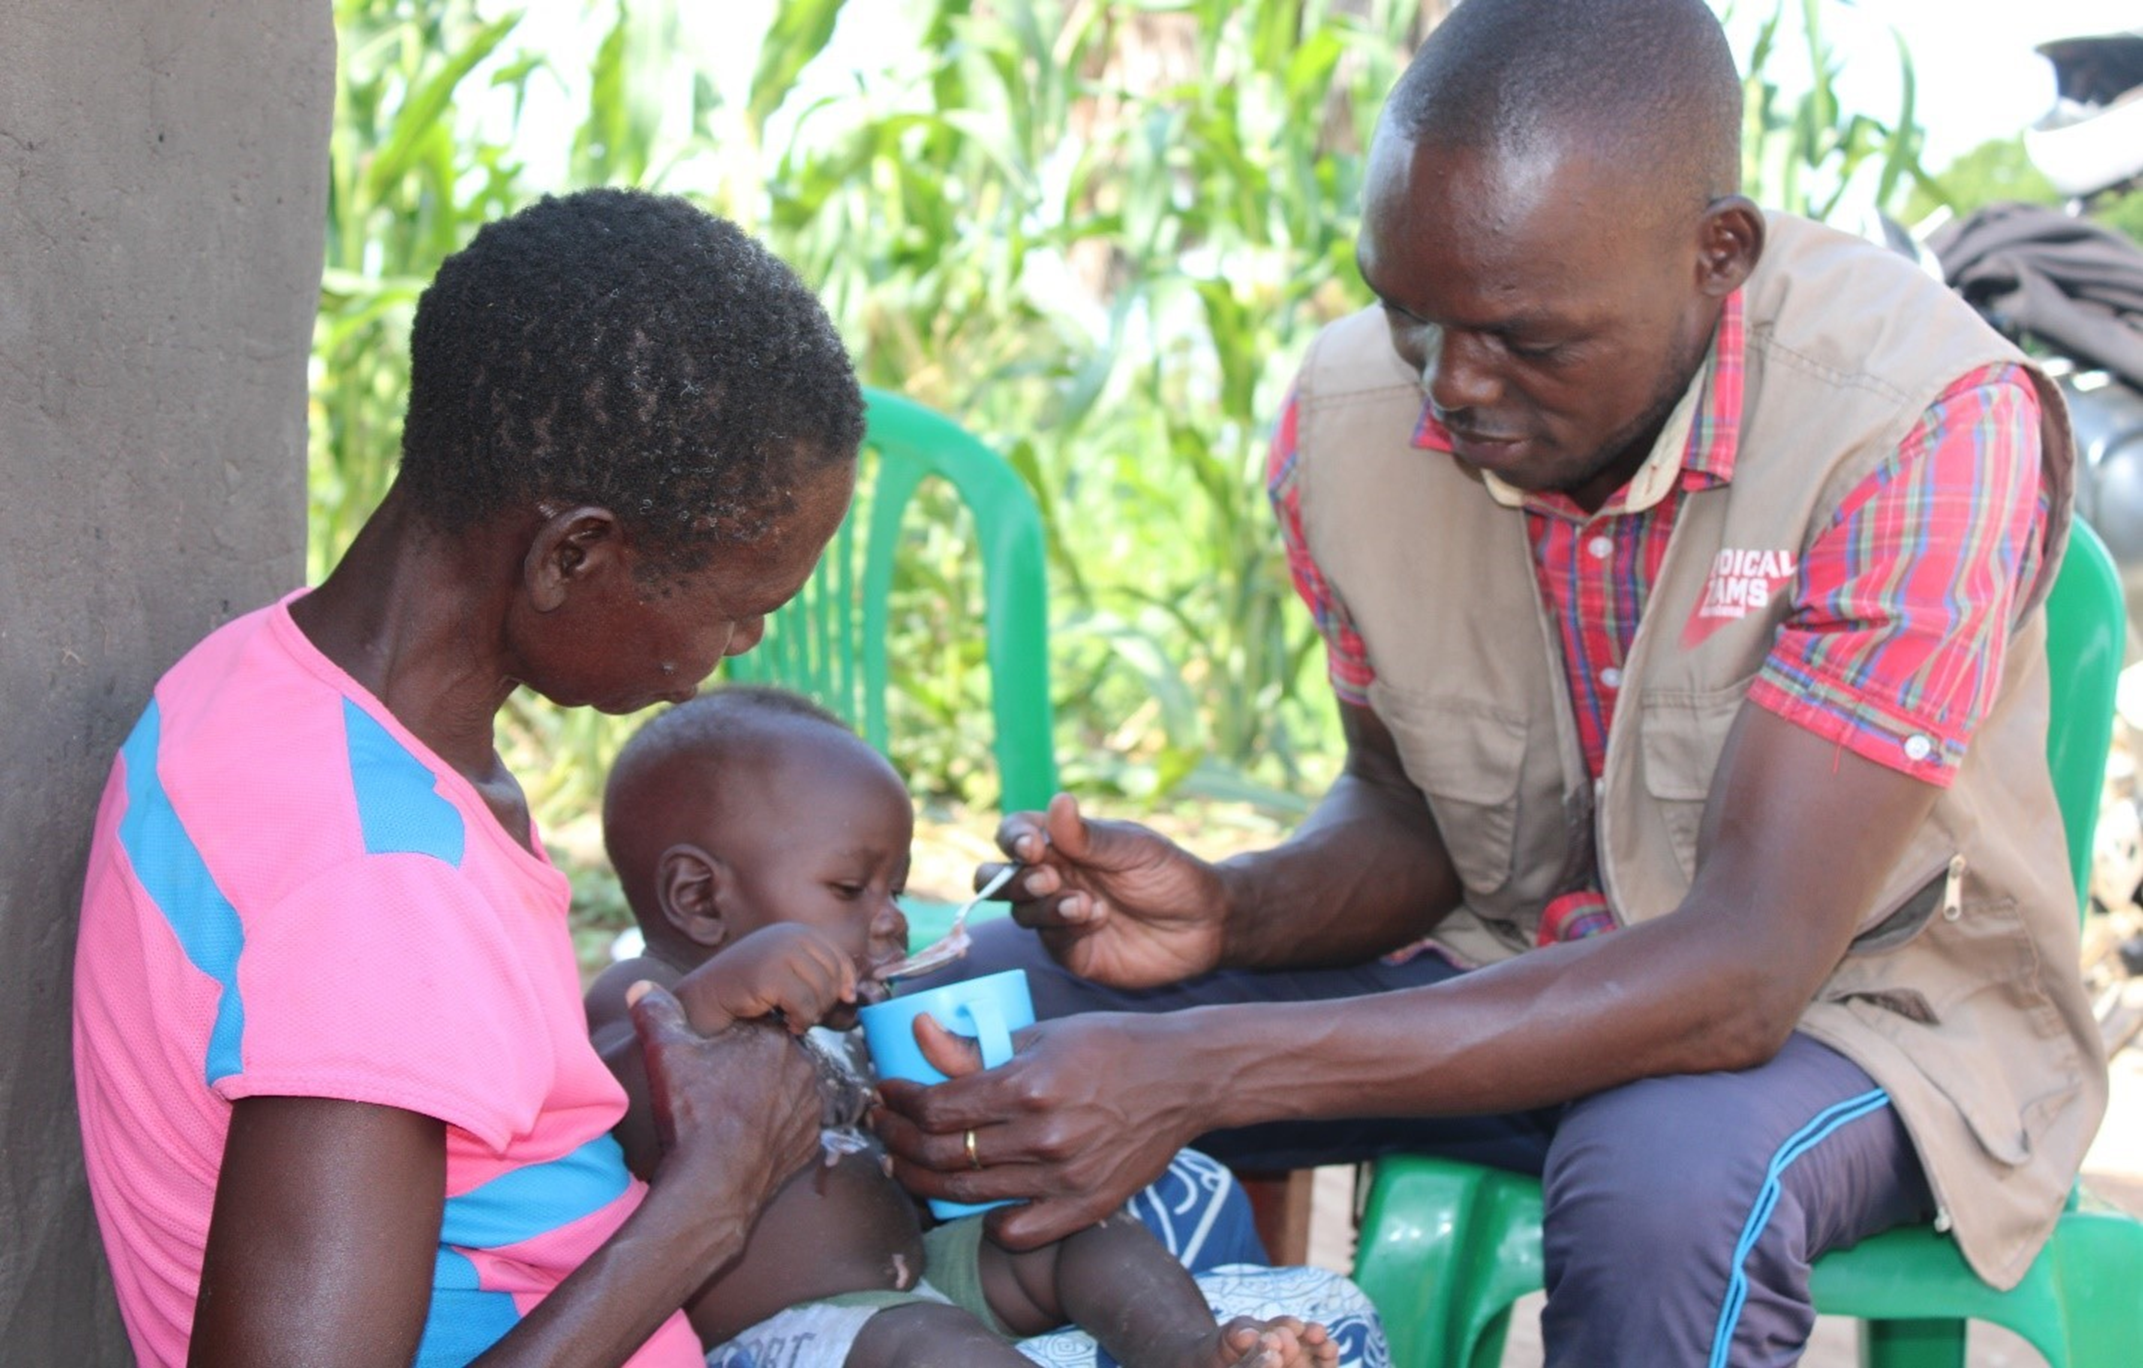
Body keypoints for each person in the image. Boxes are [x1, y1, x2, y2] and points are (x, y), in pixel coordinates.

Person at [873, 1, 2109, 1363]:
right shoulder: (1348, 412)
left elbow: (1742, 972)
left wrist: (1201, 1064)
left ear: (1717, 256)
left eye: (1527, 338)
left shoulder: (1913, 419)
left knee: (1663, 1183)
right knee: (952, 1018)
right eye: (1407, 312)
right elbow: (1413, 822)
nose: (1449, 386)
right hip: (1495, 975)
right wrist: (1232, 912)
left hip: (1854, 1022)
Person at [72, 189, 867, 1366]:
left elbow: (448, 1109)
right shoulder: (378, 890)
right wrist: (711, 1201)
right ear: (573, 555)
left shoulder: (270, 681)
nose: (735, 653)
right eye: (737, 609)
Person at [587, 686, 1377, 1368]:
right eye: (850, 887)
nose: (890, 921)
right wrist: (713, 1001)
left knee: (1067, 1232)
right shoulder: (645, 994)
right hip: (777, 1338)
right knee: (934, 1344)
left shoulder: (836, 1018)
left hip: (918, 1280)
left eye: (892, 891)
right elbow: (603, 1103)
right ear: (696, 896)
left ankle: (1189, 1352)